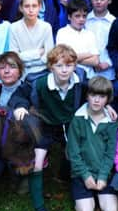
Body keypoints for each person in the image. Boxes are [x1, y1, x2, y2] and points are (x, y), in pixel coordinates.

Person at [0, 51, 54, 211]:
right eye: (2, 68)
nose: (6, 71)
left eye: (11, 67)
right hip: (0, 143)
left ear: (20, 71)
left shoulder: (30, 90)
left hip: (24, 145)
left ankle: (23, 175)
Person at [67, 76, 118, 211]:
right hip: (82, 173)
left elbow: (111, 153)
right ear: (87, 96)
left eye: (102, 96)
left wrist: (103, 176)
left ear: (108, 99)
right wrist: (85, 175)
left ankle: (100, 193)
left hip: (103, 171)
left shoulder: (111, 121)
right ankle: (87, 196)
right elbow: (73, 152)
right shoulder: (78, 118)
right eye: (93, 95)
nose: (96, 100)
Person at [31, 45, 84, 184]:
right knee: (37, 162)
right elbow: (21, 94)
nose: (64, 70)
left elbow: (95, 92)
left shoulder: (80, 81)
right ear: (51, 67)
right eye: (59, 65)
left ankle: (63, 178)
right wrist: (20, 106)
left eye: (69, 65)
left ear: (75, 66)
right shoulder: (40, 83)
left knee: (73, 154)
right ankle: (35, 191)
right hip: (46, 124)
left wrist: (107, 105)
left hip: (68, 125)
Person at [8, 0, 54, 79]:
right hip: (22, 73)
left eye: (34, 6)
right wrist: (36, 53)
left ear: (39, 7)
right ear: (21, 8)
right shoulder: (14, 27)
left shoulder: (46, 27)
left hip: (42, 73)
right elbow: (14, 57)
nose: (31, 10)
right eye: (27, 6)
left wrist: (24, 58)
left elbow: (48, 57)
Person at [56, 0, 100, 79]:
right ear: (69, 17)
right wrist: (88, 54)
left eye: (84, 16)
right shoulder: (62, 33)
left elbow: (96, 61)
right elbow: (63, 58)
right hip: (70, 77)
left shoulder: (90, 34)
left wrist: (73, 58)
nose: (81, 19)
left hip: (90, 78)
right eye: (77, 16)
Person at [85, 0, 116, 81]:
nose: (98, 2)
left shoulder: (114, 22)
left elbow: (117, 46)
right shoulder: (85, 21)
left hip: (108, 71)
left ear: (110, 0)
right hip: (87, 71)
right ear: (90, 0)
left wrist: (108, 63)